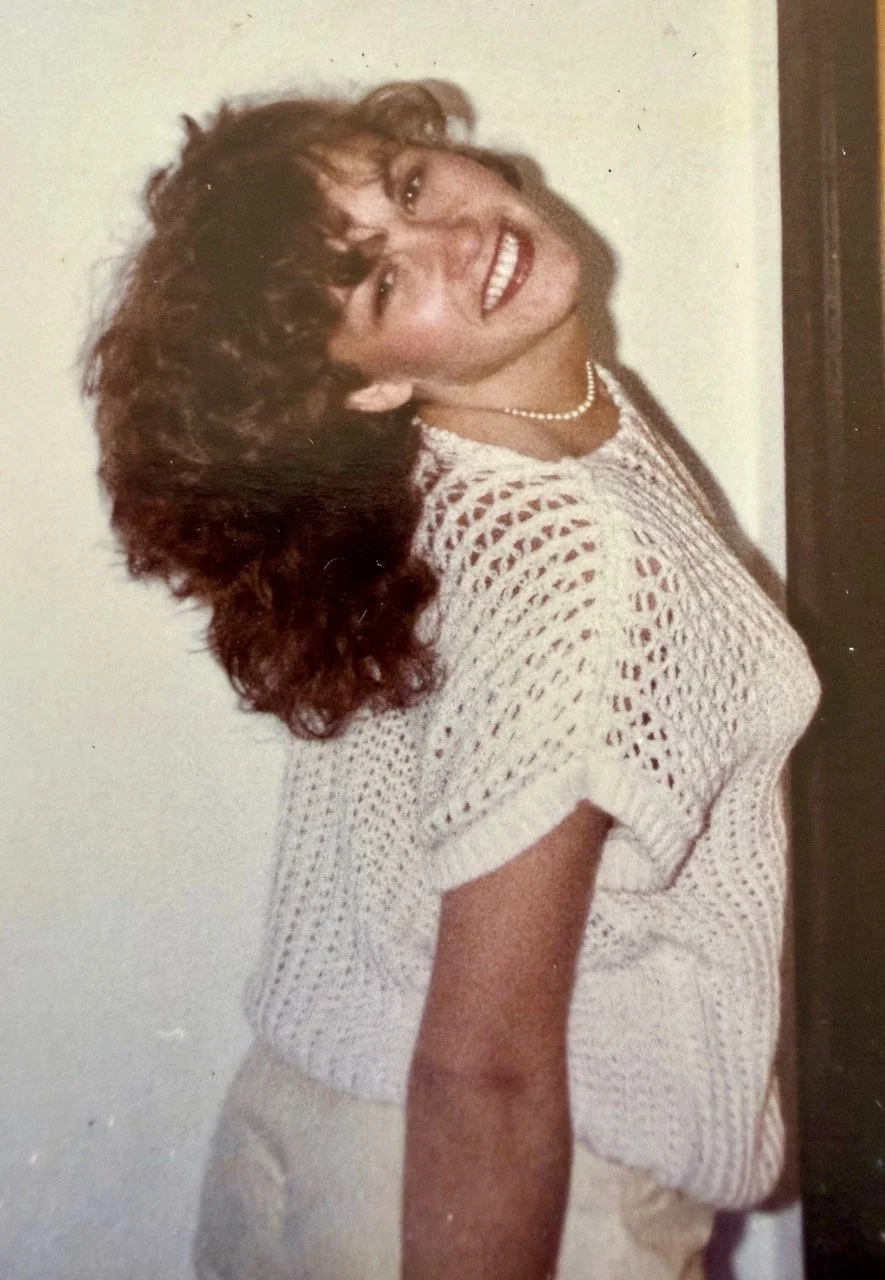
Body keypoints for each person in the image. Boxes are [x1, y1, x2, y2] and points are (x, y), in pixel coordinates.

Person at [85, 81, 820, 1280]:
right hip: (506, 1187)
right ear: (366, 387)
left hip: (309, 1140)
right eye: (382, 281)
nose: (454, 237)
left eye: (410, 184)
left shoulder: (471, 447)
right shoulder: (583, 564)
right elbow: (487, 1068)